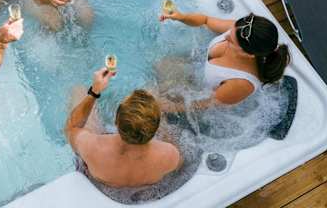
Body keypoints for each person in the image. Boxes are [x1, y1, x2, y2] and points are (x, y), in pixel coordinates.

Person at [64, 68, 181, 188]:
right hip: (145, 180)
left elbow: (71, 128)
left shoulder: (93, 148)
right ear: (155, 129)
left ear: (116, 121)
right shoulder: (170, 155)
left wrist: (94, 92)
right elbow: (179, 168)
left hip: (103, 171)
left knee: (78, 90)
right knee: (153, 95)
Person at [156, 12, 290, 111]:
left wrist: (171, 107)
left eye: (231, 41)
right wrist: (181, 17)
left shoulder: (241, 84)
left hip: (200, 94)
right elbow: (205, 20)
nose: (226, 36)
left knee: (154, 101)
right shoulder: (240, 31)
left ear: (248, 54)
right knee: (160, 63)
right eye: (231, 32)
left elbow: (204, 104)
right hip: (197, 68)